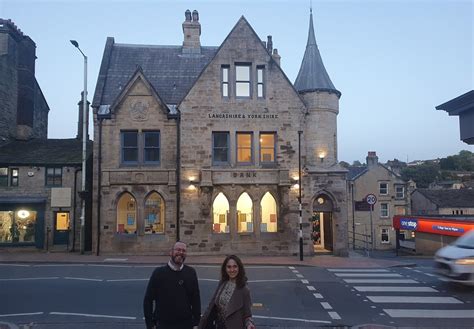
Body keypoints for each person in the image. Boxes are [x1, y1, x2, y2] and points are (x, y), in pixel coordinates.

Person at [143, 241, 201, 329]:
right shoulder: (158, 273)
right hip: (163, 324)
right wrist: (150, 325)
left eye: (183, 251)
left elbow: (196, 299)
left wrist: (196, 322)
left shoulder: (191, 272)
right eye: (178, 249)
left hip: (185, 324)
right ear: (171, 252)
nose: (181, 252)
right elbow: (148, 300)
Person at [199, 255, 256, 329]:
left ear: (239, 268)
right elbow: (212, 305)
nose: (232, 270)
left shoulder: (244, 290)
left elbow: (247, 315)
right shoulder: (222, 283)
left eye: (235, 266)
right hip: (219, 326)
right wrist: (202, 323)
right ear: (225, 269)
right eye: (229, 267)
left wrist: (249, 324)